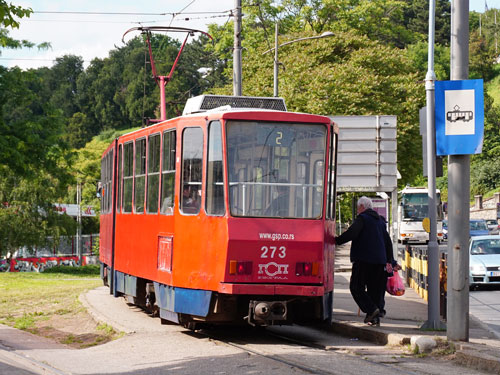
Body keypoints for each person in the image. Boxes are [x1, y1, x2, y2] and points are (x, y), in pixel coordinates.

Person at [335, 196, 391, 326]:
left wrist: (337, 240)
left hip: (364, 260)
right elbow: (387, 242)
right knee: (374, 290)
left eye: (358, 208)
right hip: (380, 262)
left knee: (356, 287)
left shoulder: (363, 219)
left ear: (362, 207)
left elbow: (352, 233)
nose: (357, 211)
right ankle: (374, 318)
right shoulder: (380, 221)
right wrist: (390, 260)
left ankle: (372, 310)